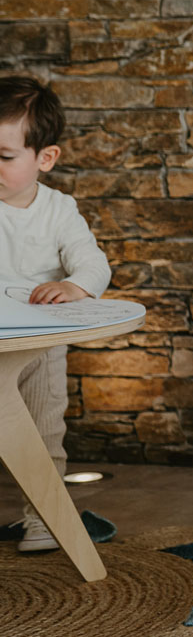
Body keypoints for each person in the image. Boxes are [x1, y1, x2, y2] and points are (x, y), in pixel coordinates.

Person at [0, 76, 112, 553]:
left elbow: (92, 263)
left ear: (44, 159)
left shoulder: (59, 211)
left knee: (44, 435)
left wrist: (71, 285)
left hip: (39, 348)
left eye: (4, 157)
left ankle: (43, 519)